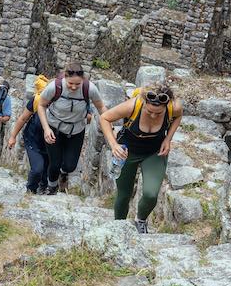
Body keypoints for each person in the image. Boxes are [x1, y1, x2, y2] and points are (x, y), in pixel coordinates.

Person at [99, 82, 183, 234]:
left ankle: (141, 220)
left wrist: (168, 139)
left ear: (166, 106)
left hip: (154, 152)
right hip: (127, 152)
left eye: (158, 113)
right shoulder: (132, 106)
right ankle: (119, 228)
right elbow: (104, 118)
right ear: (144, 102)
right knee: (124, 194)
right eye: (149, 111)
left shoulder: (173, 107)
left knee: (151, 194)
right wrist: (114, 145)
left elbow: (178, 116)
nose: (153, 115)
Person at [37, 62, 107, 193]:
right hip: (54, 128)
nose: (74, 87)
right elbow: (41, 105)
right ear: (65, 78)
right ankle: (52, 187)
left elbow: (101, 107)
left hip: (76, 130)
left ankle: (64, 173)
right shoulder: (55, 87)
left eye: (77, 84)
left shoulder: (89, 89)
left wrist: (109, 123)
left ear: (83, 80)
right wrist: (46, 128)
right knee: (55, 163)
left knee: (70, 165)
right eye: (70, 84)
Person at [7, 75, 50, 194]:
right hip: (33, 139)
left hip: (51, 143)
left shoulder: (61, 103)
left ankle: (43, 187)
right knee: (37, 169)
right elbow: (22, 118)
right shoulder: (36, 100)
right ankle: (30, 190)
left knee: (47, 169)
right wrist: (12, 136)